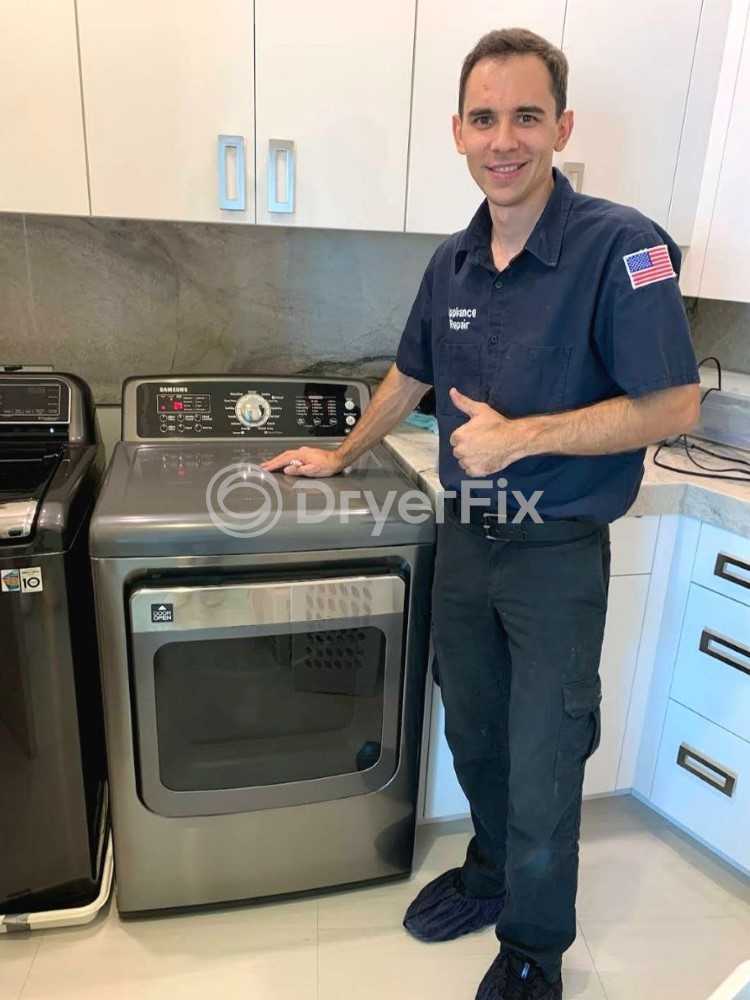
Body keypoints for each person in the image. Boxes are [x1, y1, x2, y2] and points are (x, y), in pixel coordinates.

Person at [262, 27, 700, 1000]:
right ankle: (493, 872)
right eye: (486, 117)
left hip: (553, 553)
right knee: (479, 735)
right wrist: (341, 451)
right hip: (467, 542)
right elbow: (411, 372)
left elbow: (674, 404)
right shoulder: (454, 261)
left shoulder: (622, 247)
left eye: (527, 116)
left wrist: (524, 438)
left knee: (545, 755)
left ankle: (537, 946)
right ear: (460, 130)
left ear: (561, 126)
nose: (505, 139)